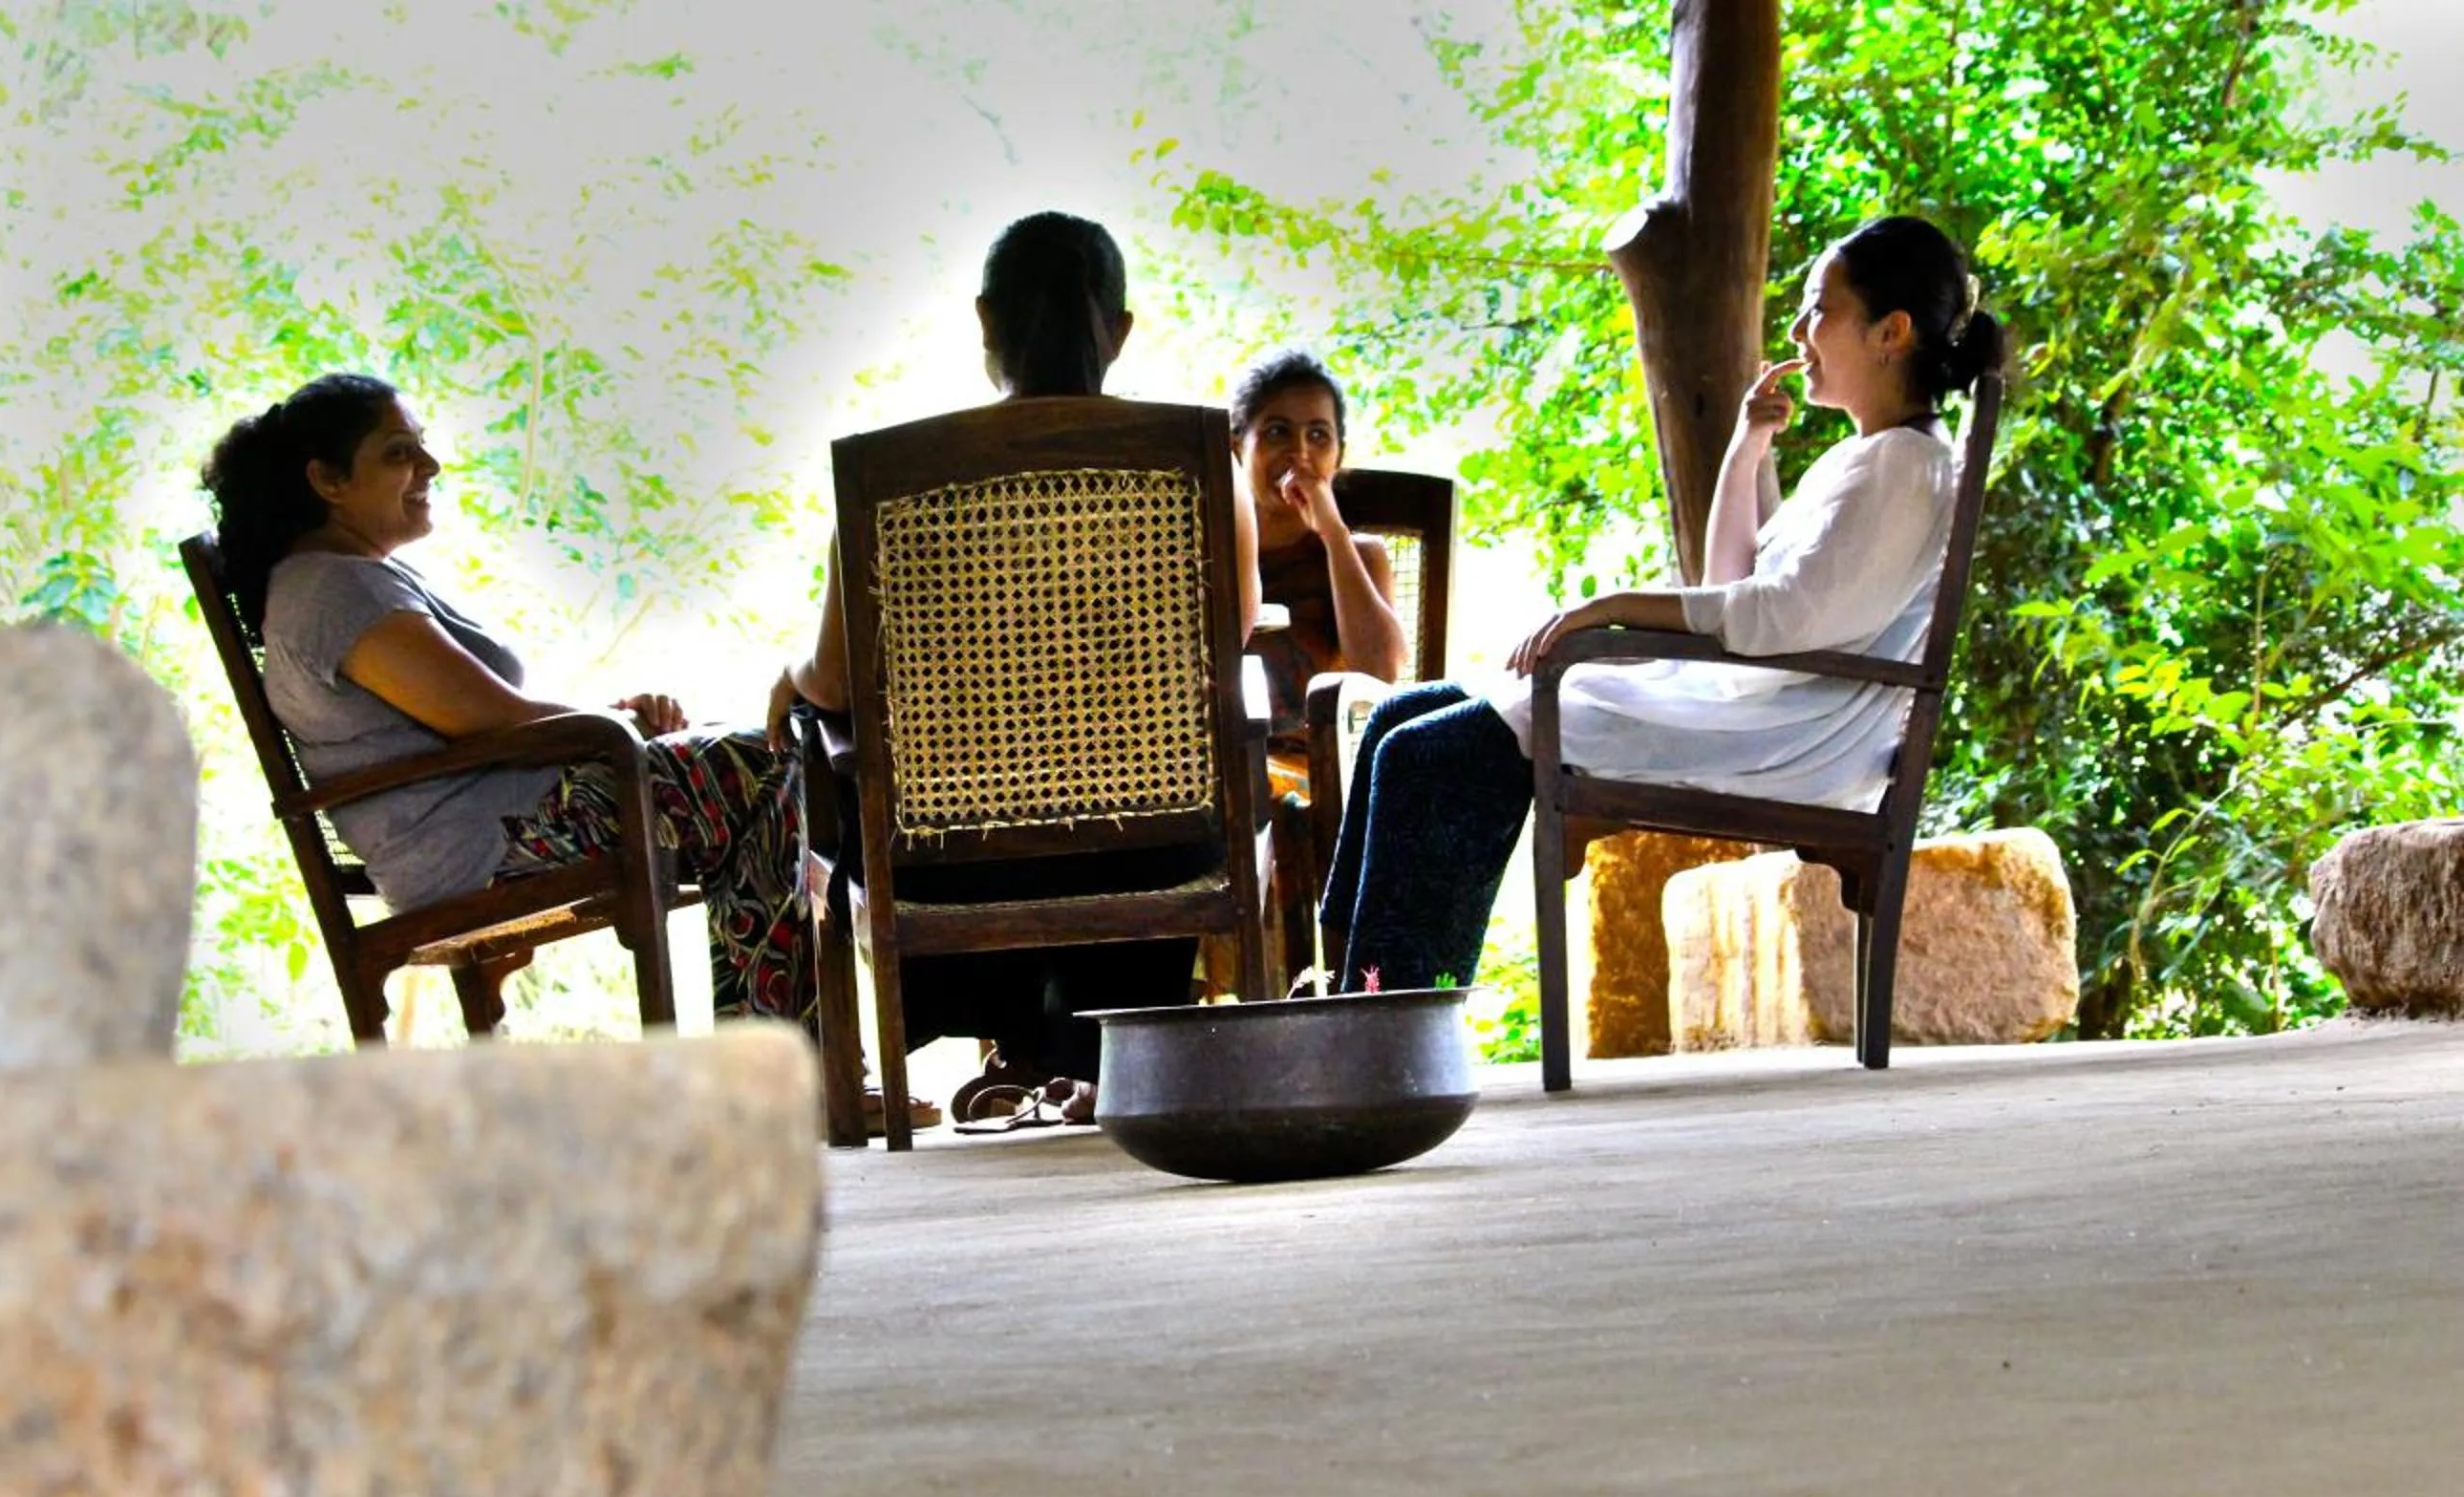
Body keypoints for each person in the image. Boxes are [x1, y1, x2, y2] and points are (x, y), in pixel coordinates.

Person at [1323, 216, 2008, 991]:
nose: (1797, 328)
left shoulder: (1904, 468)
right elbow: (1732, 580)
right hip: (1756, 702)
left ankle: (1398, 1016)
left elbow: (1775, 618)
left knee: (1432, 755)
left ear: (1891, 332)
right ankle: (1345, 991)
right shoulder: (1869, 458)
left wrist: (1609, 607)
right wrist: (1749, 445)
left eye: (1818, 308)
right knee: (1400, 722)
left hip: (1789, 734)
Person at [204, 375, 851, 1078]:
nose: (430, 469)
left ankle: (781, 1073)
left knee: (747, 766)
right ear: (327, 479)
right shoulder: (330, 589)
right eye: (399, 454)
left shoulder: (353, 577)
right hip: (486, 841)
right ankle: (791, 1075)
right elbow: (481, 715)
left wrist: (618, 721)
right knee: (751, 764)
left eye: (422, 448)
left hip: (506, 813)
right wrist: (615, 727)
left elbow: (480, 719)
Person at [766, 211, 1222, 1127]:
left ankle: (994, 1051)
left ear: (985, 321)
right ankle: (1068, 1052)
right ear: (1120, 330)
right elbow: (1235, 635)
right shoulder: (1188, 466)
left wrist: (790, 674)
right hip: (1156, 851)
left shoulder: (900, 481)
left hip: (947, 865)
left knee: (811, 751)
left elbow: (837, 682)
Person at [1225, 350, 1407, 986]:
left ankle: (1306, 986)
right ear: (1237, 446)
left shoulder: (1356, 554)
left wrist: (1330, 532)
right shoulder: (1208, 555)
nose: (1297, 452)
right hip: (1224, 763)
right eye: (1275, 431)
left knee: (1273, 803)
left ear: (1338, 455)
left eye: (1317, 435)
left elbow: (1382, 670)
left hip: (1319, 769)